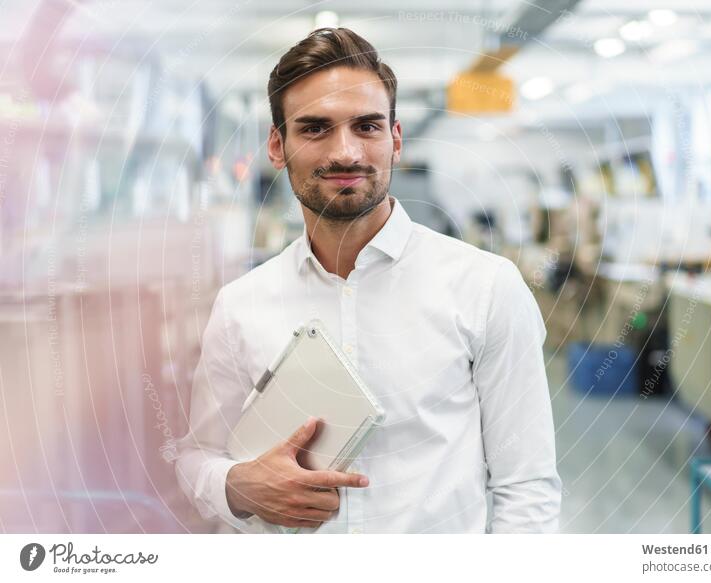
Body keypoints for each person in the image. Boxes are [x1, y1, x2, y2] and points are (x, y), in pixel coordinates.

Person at [176, 27, 561, 534]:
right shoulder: (241, 305)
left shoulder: (486, 289)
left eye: (367, 127)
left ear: (395, 140)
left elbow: (526, 487)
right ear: (277, 145)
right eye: (315, 128)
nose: (346, 153)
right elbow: (198, 456)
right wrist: (236, 486)